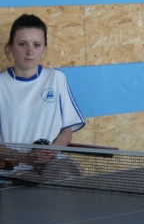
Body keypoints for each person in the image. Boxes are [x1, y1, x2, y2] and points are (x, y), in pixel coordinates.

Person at [0, 14, 85, 178]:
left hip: (53, 163)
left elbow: (66, 130)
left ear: (44, 49)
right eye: (22, 44)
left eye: (36, 45)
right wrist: (26, 158)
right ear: (10, 47)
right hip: (15, 168)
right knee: (30, 186)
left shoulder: (56, 79)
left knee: (67, 175)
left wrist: (52, 151)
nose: (30, 51)